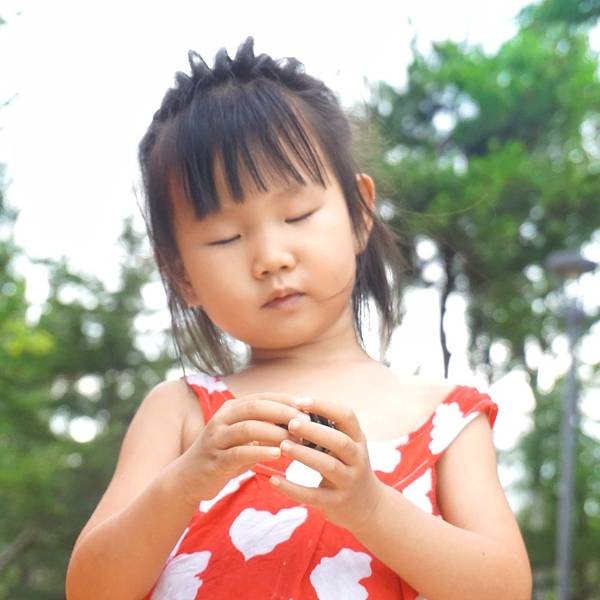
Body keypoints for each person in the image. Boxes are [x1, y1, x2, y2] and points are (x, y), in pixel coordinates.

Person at [65, 37, 532, 600]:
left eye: (298, 214)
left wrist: (370, 507)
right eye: (225, 237)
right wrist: (187, 482)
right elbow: (91, 589)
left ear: (359, 212)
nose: (270, 258)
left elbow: (505, 588)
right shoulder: (181, 414)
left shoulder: (447, 419)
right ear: (180, 273)